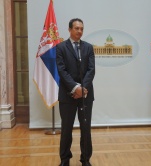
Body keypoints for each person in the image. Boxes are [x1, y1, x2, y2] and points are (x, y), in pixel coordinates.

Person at [56, 18, 95, 166]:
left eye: (82, 29)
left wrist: (83, 88)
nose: (79, 31)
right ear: (70, 29)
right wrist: (75, 88)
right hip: (67, 95)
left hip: (86, 95)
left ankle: (85, 159)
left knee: (86, 129)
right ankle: (65, 160)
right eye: (77, 28)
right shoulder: (60, 47)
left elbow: (91, 70)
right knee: (66, 129)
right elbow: (62, 70)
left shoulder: (88, 48)